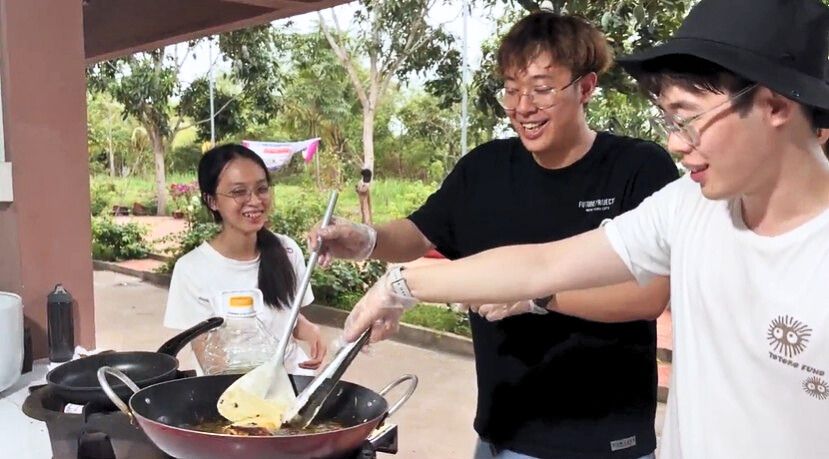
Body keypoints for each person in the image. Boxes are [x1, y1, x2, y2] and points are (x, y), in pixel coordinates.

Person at [344, 0, 829, 457]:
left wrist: (535, 301)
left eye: (687, 117)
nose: (676, 143)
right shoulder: (688, 206)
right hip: (506, 422)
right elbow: (545, 263)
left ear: (774, 105)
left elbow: (632, 296)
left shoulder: (645, 172)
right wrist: (399, 283)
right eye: (667, 118)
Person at [310, 10, 677, 459]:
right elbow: (420, 232)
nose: (523, 107)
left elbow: (648, 295)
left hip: (600, 436)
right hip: (501, 432)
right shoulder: (484, 170)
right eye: (511, 89)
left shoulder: (636, 167)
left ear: (585, 88)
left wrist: (537, 299)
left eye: (542, 89)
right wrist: (366, 239)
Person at [164, 144, 327, 376]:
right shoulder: (191, 270)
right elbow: (210, 357)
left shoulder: (287, 250)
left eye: (261, 189)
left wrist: (309, 329)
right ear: (212, 201)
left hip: (294, 384)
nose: (254, 201)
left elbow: (283, 316)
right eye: (239, 192)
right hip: (231, 394)